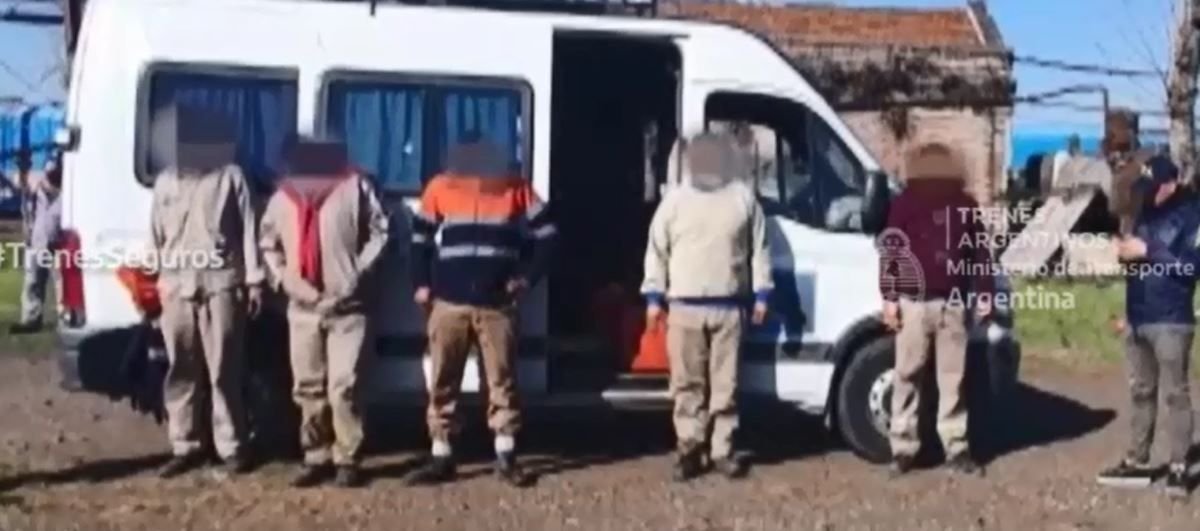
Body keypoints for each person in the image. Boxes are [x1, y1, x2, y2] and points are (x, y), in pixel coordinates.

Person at [407, 132, 554, 488]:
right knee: (443, 380)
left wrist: (525, 280)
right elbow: (419, 240)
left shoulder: (516, 187)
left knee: (502, 381)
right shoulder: (440, 187)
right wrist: (421, 284)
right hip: (449, 302)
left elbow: (548, 235)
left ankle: (506, 456)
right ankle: (441, 456)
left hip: (497, 305)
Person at [641, 132, 772, 482]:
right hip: (683, 308)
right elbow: (657, 251)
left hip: (730, 309)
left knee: (725, 385)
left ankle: (722, 450)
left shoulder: (743, 199)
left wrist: (762, 294)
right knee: (687, 385)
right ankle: (689, 448)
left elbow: (760, 250)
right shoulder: (675, 202)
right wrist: (653, 298)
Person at [259, 138, 390, 488]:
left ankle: (348, 457)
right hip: (302, 308)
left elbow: (380, 231)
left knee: (344, 385)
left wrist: (358, 273)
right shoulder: (283, 197)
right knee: (308, 387)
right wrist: (285, 279)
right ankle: (315, 455)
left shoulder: (355, 187)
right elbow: (268, 243)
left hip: (348, 306)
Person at [149, 104, 264, 478]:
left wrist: (255, 280)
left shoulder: (231, 177)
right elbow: (154, 234)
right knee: (181, 370)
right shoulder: (166, 181)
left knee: (223, 371)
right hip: (177, 287)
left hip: (221, 287)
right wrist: (154, 283)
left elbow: (249, 230)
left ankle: (232, 447)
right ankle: (185, 445)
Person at [880, 142, 991, 478]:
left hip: (954, 304)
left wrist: (984, 293)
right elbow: (892, 251)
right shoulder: (904, 204)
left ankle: (956, 448)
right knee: (907, 375)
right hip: (913, 305)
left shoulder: (966, 206)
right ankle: (903, 449)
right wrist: (889, 298)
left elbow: (980, 254)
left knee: (953, 380)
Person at [1097, 155, 1198, 499]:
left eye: (1153, 188)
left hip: (1171, 320)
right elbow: (1138, 257)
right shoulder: (1145, 215)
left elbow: (1190, 267)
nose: (1149, 194)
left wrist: (1149, 249)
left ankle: (1179, 467)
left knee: (1176, 394)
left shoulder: (1193, 216)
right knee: (1141, 391)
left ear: (1170, 184)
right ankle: (1138, 461)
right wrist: (1124, 252)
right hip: (1138, 317)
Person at [11, 156, 63, 334]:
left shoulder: (69, 191)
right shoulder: (37, 184)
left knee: (61, 283)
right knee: (32, 281)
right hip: (38, 240)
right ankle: (31, 319)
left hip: (60, 242)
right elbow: (19, 184)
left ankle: (66, 318)